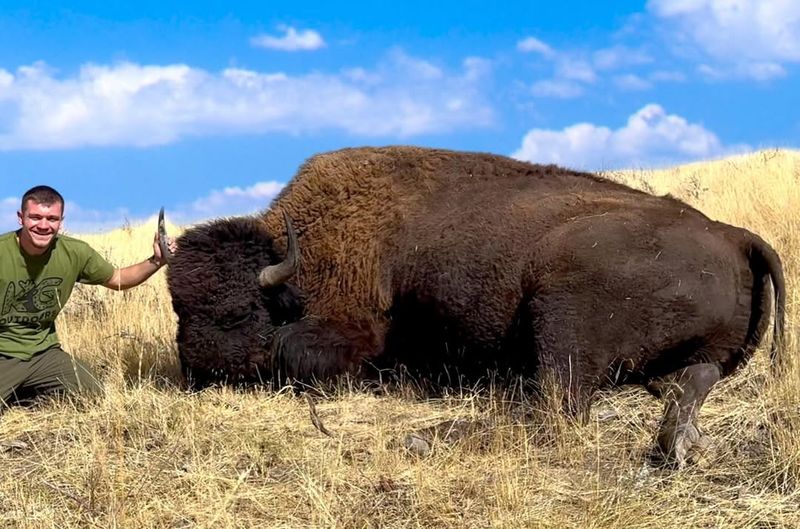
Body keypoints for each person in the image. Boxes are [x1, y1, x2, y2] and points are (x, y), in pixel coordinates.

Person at [0, 185, 175, 408]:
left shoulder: (75, 252)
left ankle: (23, 393)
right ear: (20, 217)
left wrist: (157, 260)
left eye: (51, 218)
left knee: (93, 395)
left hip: (43, 353)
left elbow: (118, 279)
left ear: (61, 221)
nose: (43, 225)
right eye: (35, 217)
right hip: (3, 353)